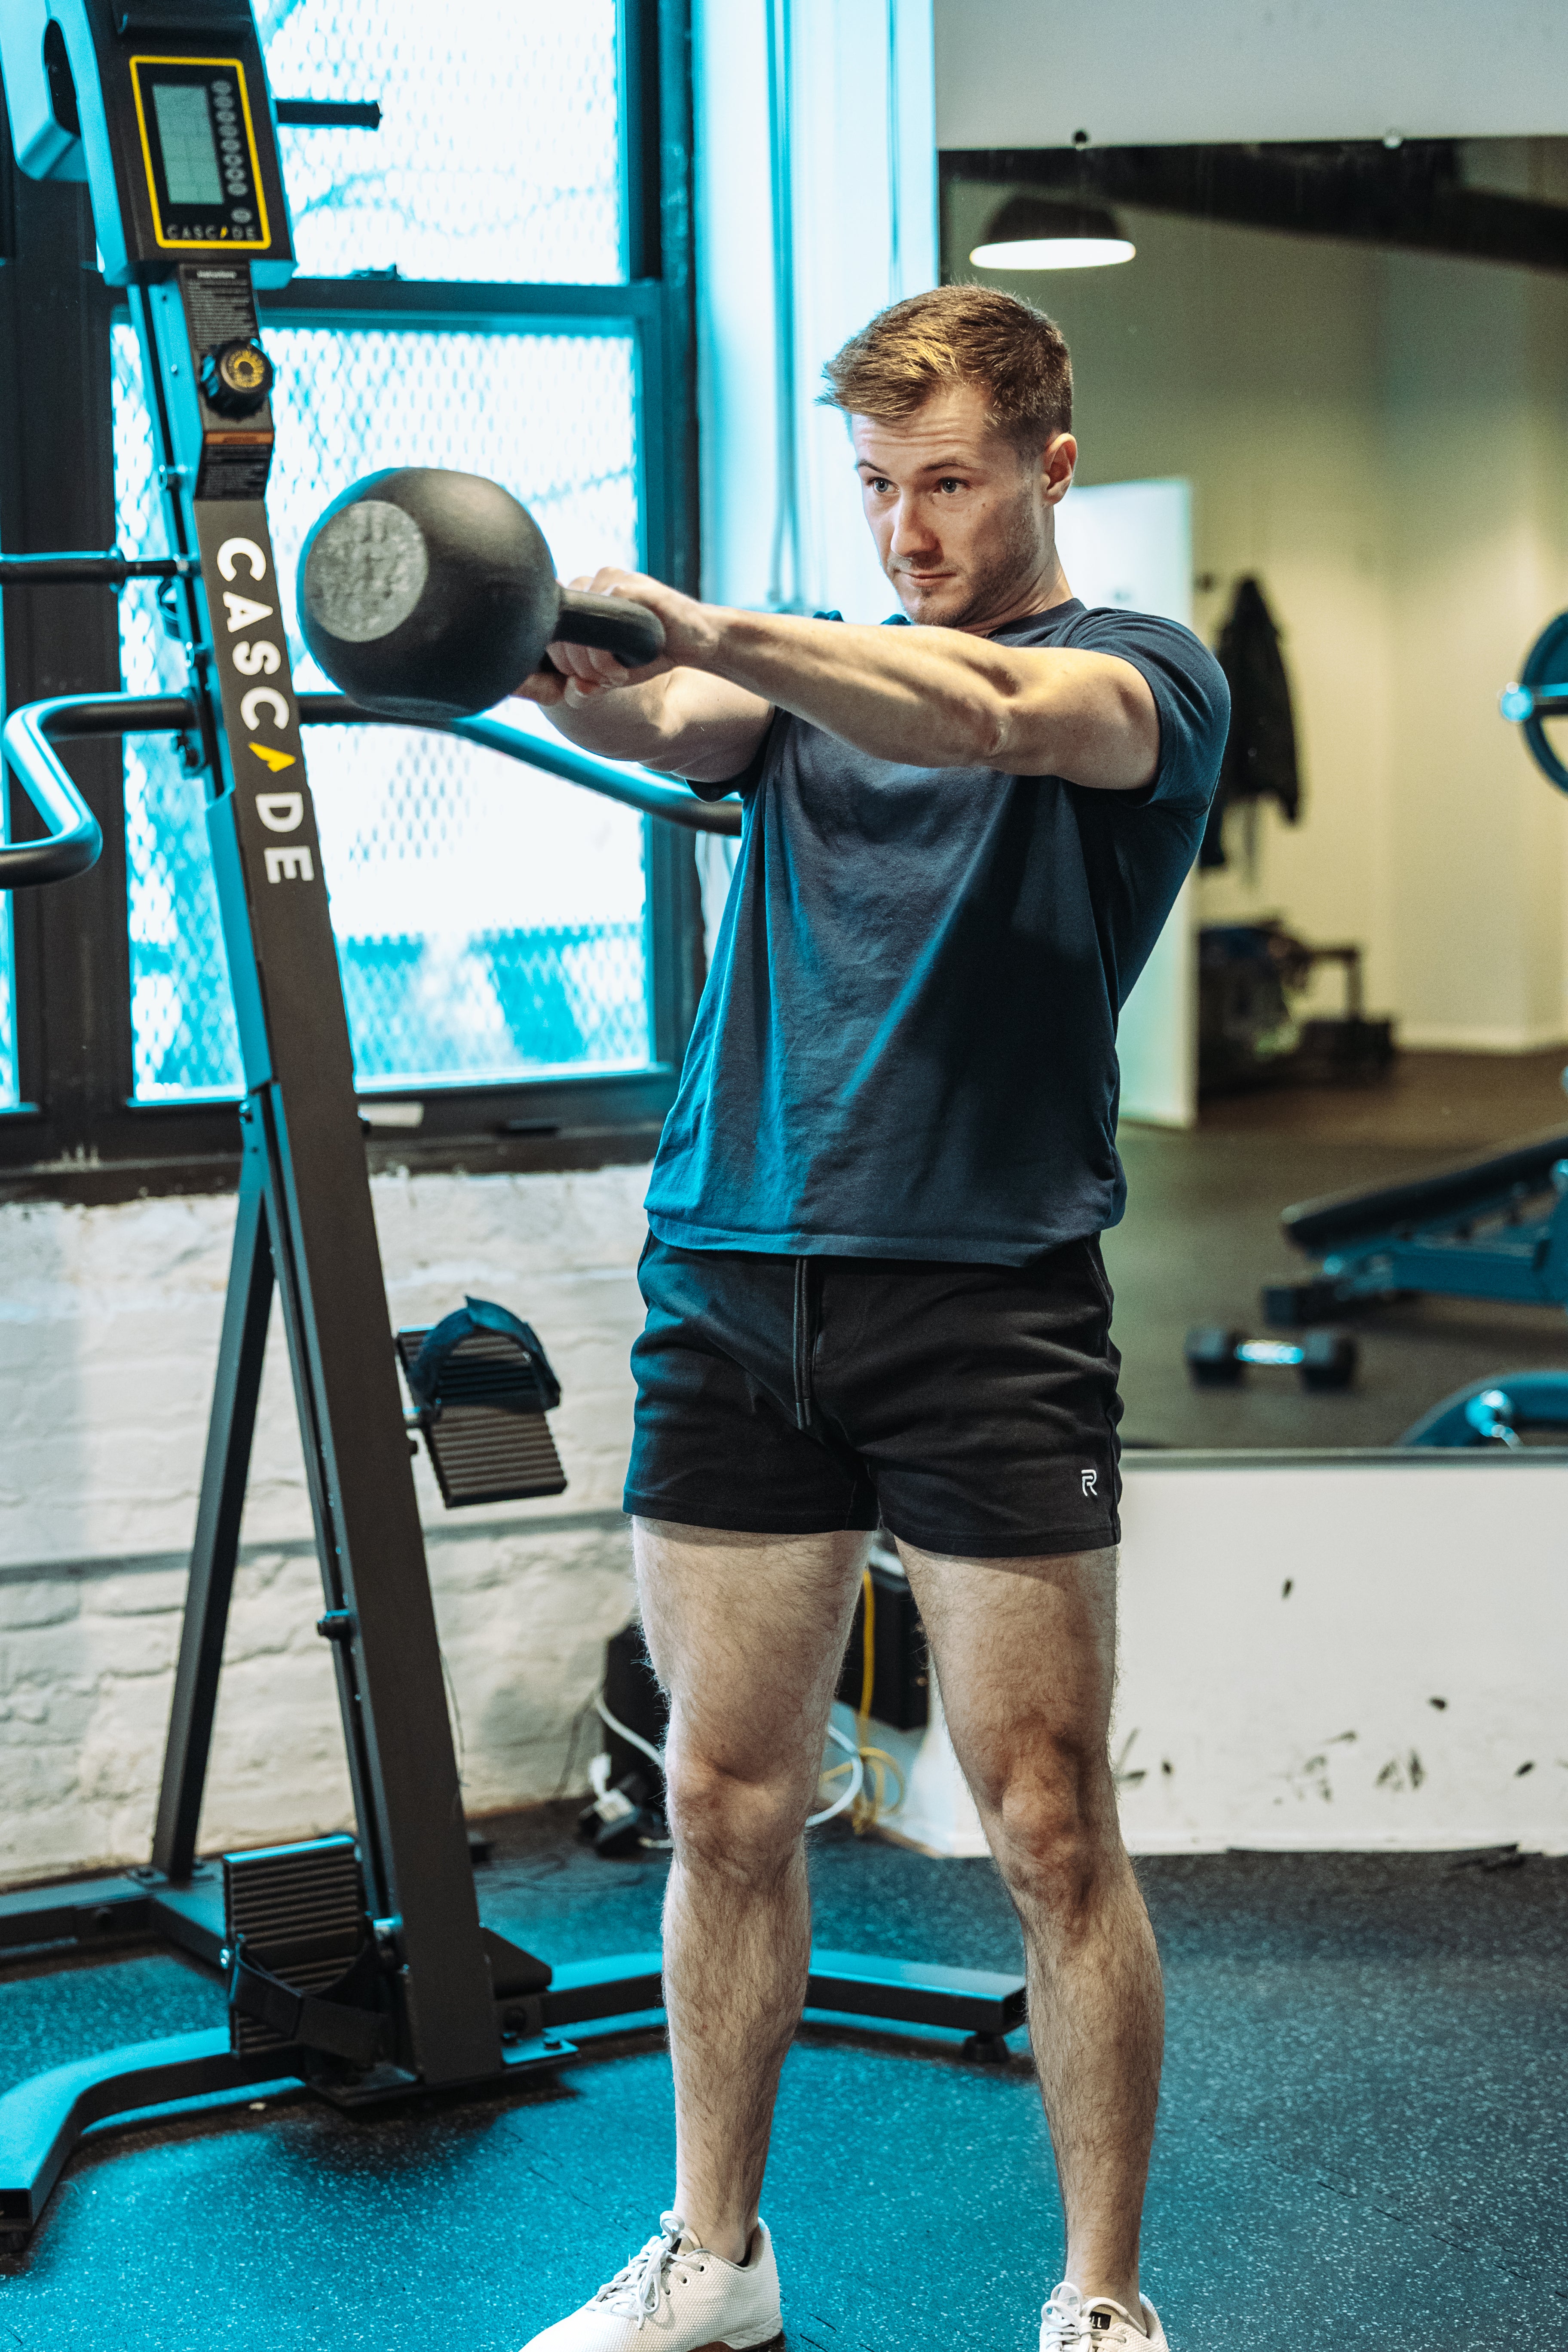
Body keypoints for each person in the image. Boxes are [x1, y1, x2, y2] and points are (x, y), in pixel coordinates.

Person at [511, 285, 1228, 2352]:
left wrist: (710, 620)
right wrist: (563, 664)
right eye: (876, 492)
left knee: (1045, 1818)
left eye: (946, 484)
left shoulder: (1141, 679)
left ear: (1047, 465)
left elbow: (982, 717)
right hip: (733, 1276)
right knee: (729, 1795)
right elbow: (665, 726)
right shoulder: (806, 687)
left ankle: (1100, 2302)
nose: (909, 530)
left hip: (986, 1305)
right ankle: (715, 2261)